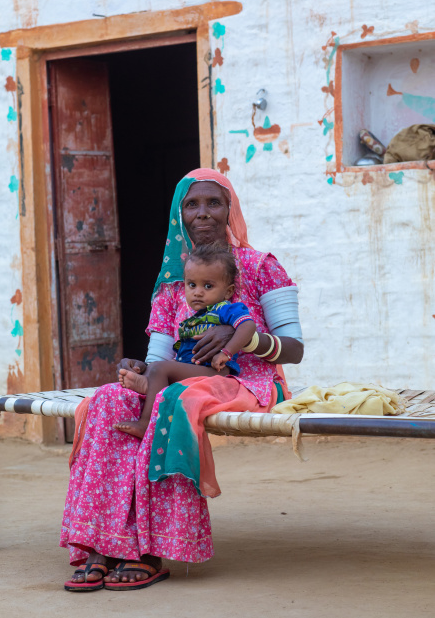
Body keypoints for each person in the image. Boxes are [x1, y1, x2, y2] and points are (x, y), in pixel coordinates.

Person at [61, 168, 304, 592]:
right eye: (191, 204)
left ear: (231, 209)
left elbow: (295, 348)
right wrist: (138, 370)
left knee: (171, 400)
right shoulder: (173, 284)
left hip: (248, 382)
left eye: (214, 202)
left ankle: (152, 550)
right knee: (107, 400)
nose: (203, 213)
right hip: (184, 376)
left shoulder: (262, 266)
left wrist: (243, 341)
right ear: (180, 214)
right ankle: (102, 543)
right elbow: (161, 358)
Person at [115, 244, 257, 439]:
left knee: (160, 369)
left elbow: (248, 327)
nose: (198, 292)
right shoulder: (193, 319)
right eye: (192, 285)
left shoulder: (226, 309)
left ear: (227, 291)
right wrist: (143, 366)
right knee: (155, 367)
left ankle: (146, 423)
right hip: (192, 368)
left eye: (208, 286)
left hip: (215, 372)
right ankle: (146, 377)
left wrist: (226, 352)